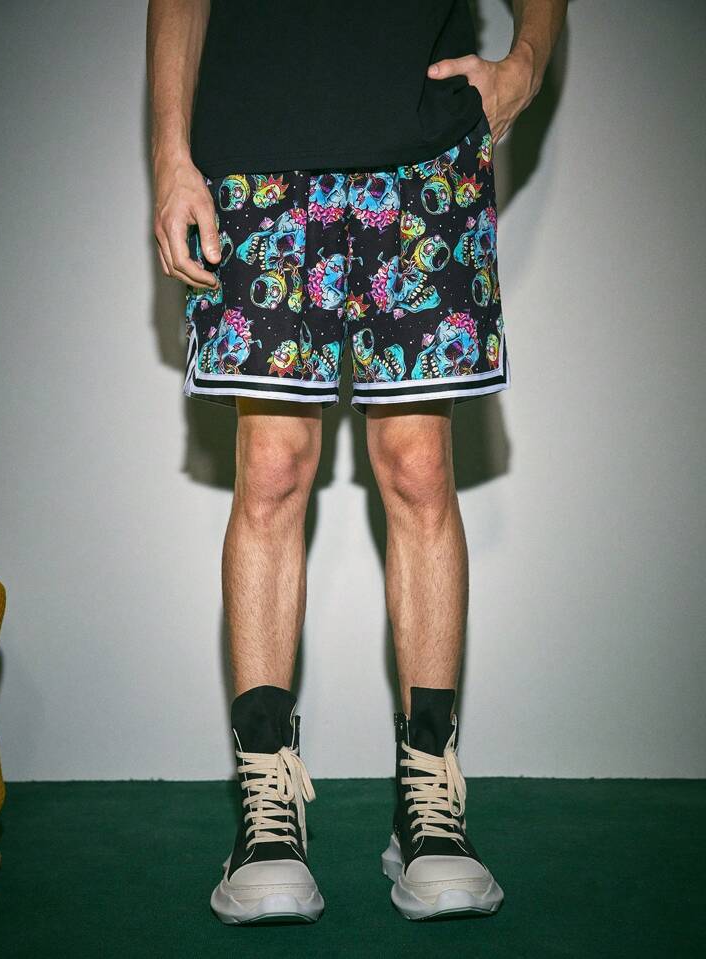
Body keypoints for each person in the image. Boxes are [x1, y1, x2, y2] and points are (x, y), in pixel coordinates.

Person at [148, 0, 567, 924]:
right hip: (254, 146)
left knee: (419, 466)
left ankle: (430, 805)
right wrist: (170, 153)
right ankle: (266, 812)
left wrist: (528, 61)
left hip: (422, 150)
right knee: (272, 467)